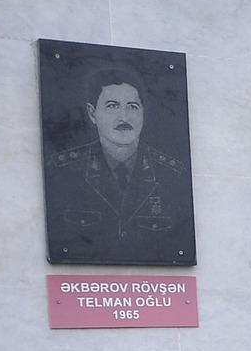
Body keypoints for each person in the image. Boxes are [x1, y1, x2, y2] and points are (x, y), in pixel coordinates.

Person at [44, 62, 191, 263]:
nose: (124, 117)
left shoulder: (171, 174)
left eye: (132, 107)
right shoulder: (64, 172)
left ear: (142, 112)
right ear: (92, 113)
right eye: (112, 106)